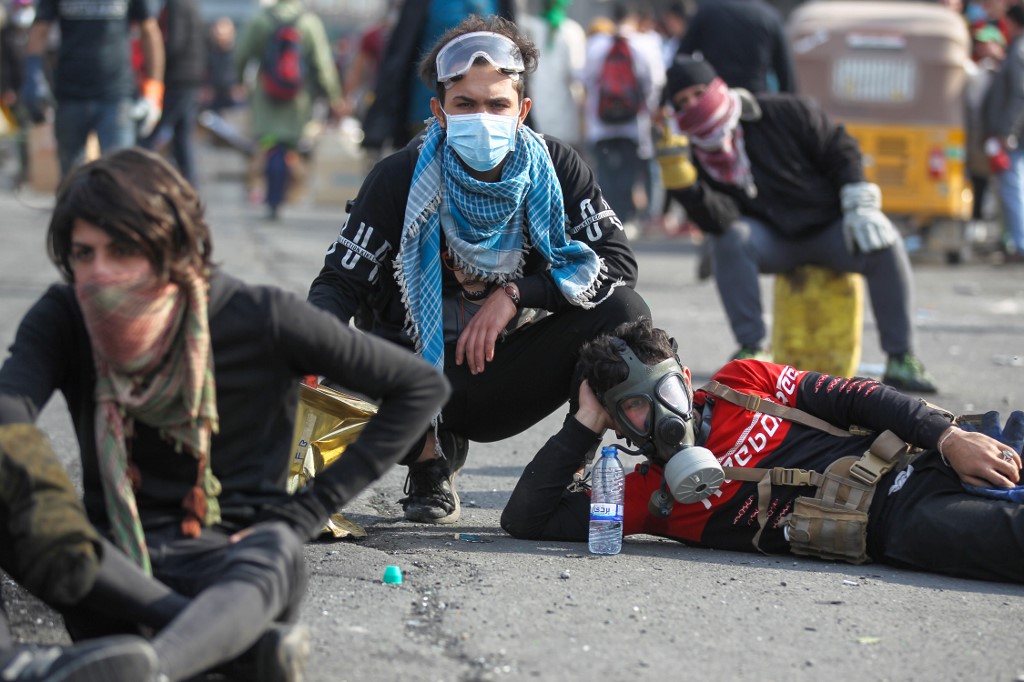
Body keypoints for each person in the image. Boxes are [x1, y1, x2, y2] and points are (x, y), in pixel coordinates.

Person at [0, 148, 449, 681]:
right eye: (83, 254)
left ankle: (156, 669)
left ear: (172, 247)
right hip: (106, 569)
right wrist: (44, 505)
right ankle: (22, 666)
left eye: (121, 250)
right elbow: (9, 409)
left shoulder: (257, 317)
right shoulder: (66, 314)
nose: (98, 273)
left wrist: (305, 512)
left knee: (274, 553)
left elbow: (418, 386)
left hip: (229, 571)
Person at [308, 15, 650, 526]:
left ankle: (572, 461)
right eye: (465, 104)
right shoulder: (398, 178)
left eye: (497, 104)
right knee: (320, 337)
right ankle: (427, 463)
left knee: (625, 312)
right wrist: (304, 355)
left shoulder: (557, 169)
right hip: (407, 379)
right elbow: (338, 283)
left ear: (523, 110)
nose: (482, 117)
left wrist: (516, 291)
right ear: (439, 112)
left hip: (502, 374)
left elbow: (619, 266)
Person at [501, 318, 1024, 584]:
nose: (661, 414)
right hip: (906, 518)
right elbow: (526, 517)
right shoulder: (652, 499)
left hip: (925, 453)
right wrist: (584, 424)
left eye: (666, 392)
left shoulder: (742, 381)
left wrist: (949, 437)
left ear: (685, 378)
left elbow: (853, 395)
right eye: (635, 409)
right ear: (619, 423)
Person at [659, 55, 938, 393]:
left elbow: (841, 149)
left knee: (884, 240)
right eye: (682, 102)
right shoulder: (694, 150)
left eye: (698, 93)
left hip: (829, 228)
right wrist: (685, 187)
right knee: (730, 240)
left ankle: (901, 358)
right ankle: (753, 349)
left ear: (717, 87)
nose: (693, 105)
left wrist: (859, 205)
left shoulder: (783, 111)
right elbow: (723, 220)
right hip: (773, 241)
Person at [18, 0, 164, 178]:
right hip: (70, 94)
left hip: (116, 94)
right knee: (72, 181)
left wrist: (153, 91)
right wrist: (33, 75)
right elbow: (40, 30)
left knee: (119, 178)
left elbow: (149, 31)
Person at [360, 0, 516, 156]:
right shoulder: (420, 5)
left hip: (488, 118)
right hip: (425, 116)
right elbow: (398, 56)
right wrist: (378, 126)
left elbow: (514, 57)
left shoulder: (499, 3)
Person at [234, 0, 342, 220]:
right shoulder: (309, 22)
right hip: (298, 96)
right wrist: (334, 97)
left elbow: (242, 54)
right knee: (288, 147)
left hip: (267, 92)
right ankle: (279, 198)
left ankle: (271, 199)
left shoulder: (260, 19)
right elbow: (323, 64)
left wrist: (238, 81)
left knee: (271, 144)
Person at [581, 1, 664, 234]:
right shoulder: (644, 44)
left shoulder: (596, 44)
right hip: (633, 123)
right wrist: (647, 110)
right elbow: (654, 82)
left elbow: (586, 78)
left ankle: (609, 216)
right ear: (634, 18)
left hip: (601, 122)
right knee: (630, 171)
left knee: (606, 171)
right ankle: (627, 218)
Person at [141, 0, 205, 186]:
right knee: (182, 139)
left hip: (177, 78)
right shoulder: (192, 5)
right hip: (190, 78)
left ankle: (140, 181)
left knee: (150, 134)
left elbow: (174, 41)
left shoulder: (176, 4)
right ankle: (190, 188)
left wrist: (155, 62)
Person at [675, 0, 796, 94]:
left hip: (717, 103)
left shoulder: (706, 10)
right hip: (758, 103)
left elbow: (681, 59)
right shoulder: (770, 15)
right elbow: (786, 73)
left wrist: (667, 101)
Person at [983, 3, 1024, 260]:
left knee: (1012, 187)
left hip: (1014, 135)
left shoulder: (1019, 49)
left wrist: (1007, 132)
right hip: (1015, 133)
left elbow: (1019, 94)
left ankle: (1020, 244)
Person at [519, 0, 587, 152]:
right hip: (566, 109)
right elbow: (577, 73)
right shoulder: (572, 31)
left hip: (536, 104)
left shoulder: (528, 26)